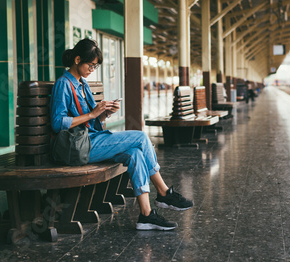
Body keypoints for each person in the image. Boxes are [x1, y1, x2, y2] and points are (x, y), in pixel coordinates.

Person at [50, 38, 193, 231]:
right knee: (141, 138)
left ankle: (146, 215)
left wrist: (104, 113)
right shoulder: (64, 84)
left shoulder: (82, 84)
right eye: (90, 65)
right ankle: (164, 191)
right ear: (77, 59)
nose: (92, 69)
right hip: (80, 147)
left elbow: (92, 121)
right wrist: (92, 113)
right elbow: (58, 123)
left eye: (95, 66)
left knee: (135, 153)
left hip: (93, 139)